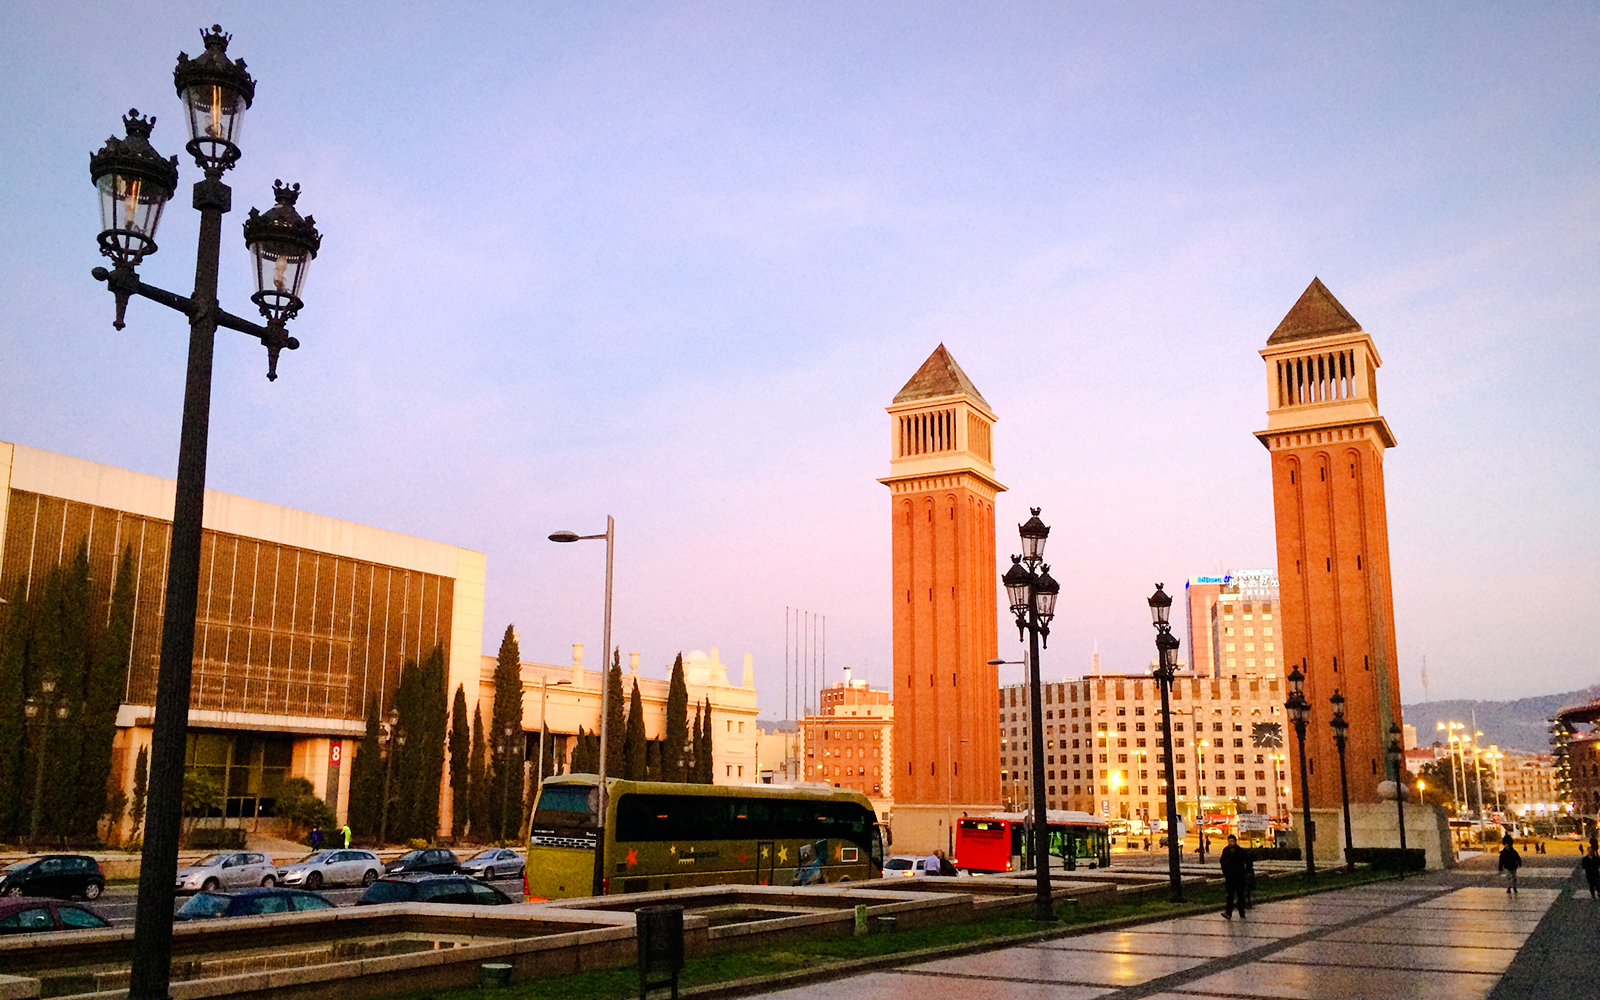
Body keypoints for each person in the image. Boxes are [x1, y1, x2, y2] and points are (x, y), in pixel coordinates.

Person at [1220, 834, 1249, 918]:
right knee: (1229, 895)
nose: (1230, 843)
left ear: (1235, 842)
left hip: (1239, 876)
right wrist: (1225, 871)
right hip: (1230, 877)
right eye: (1229, 841)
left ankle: (1241, 912)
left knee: (1240, 895)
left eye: (1232, 841)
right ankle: (1228, 912)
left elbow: (1247, 862)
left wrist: (1245, 871)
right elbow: (1222, 861)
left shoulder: (1240, 851)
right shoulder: (1226, 851)